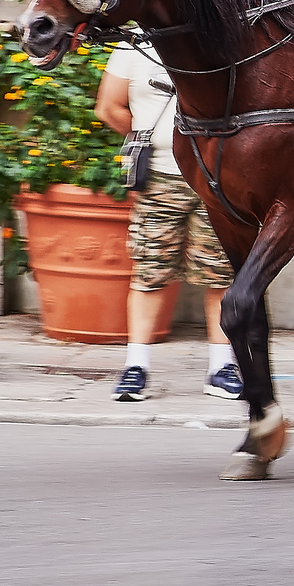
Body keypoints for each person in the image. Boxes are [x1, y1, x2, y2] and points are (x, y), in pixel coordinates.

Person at [96, 37, 241, 401]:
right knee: (150, 273)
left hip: (214, 178)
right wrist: (150, 137)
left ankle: (221, 367)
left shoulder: (218, 39)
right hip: (160, 178)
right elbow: (109, 107)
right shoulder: (133, 47)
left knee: (220, 273)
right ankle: (136, 366)